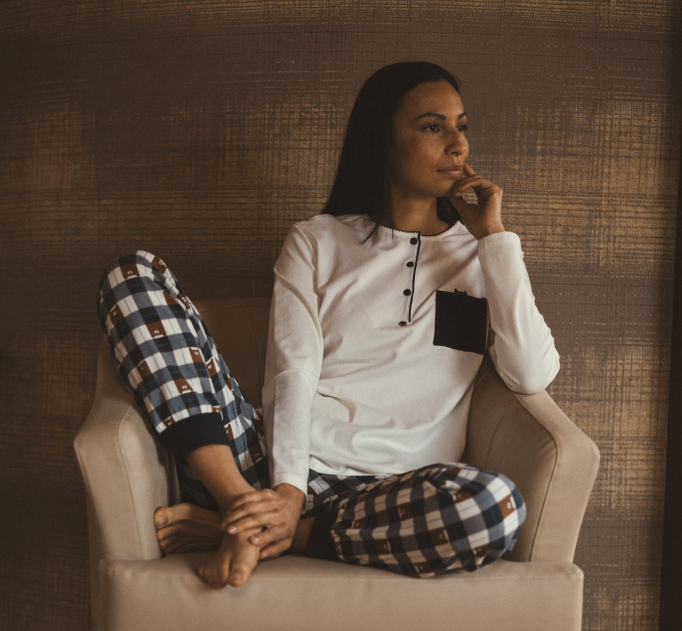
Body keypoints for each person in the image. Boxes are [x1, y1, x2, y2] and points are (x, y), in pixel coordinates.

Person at [98, 61, 559, 590]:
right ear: (381, 138)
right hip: (269, 468)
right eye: (433, 127)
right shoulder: (316, 240)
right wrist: (285, 493)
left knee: (494, 505)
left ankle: (265, 533)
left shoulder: (484, 257)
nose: (458, 145)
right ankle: (242, 508)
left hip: (389, 500)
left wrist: (494, 238)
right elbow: (292, 370)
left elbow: (530, 373)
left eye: (462, 126)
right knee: (131, 275)